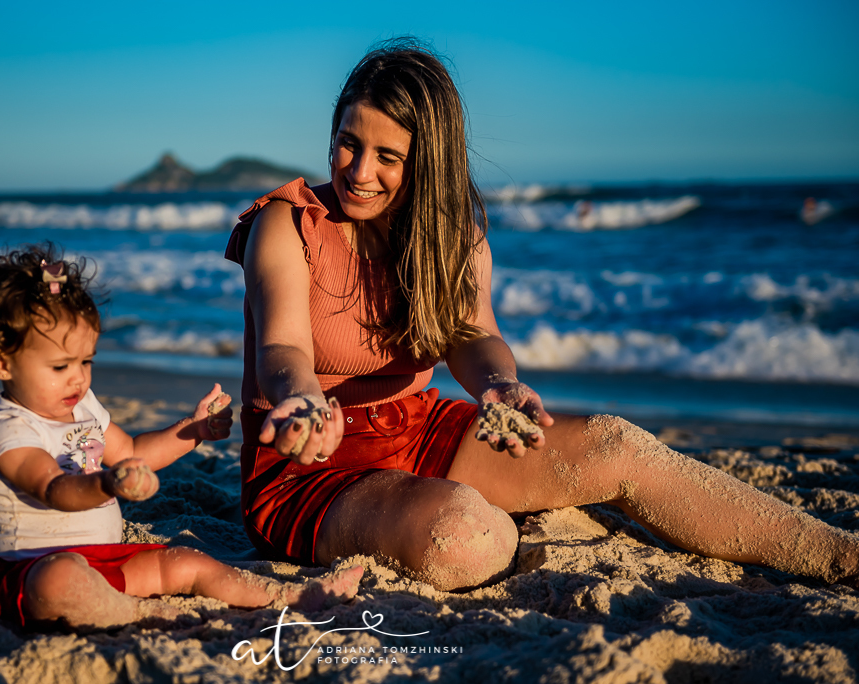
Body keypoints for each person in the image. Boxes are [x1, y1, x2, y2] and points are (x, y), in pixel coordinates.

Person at [224, 38, 859, 592]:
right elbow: (283, 351)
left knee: (617, 444)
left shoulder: (451, 234)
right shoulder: (286, 224)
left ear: (429, 159)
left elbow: (473, 335)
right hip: (305, 468)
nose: (359, 172)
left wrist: (499, 384)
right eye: (347, 145)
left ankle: (839, 556)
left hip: (417, 431)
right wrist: (303, 402)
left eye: (388, 156)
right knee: (467, 535)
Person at [0, 244, 362, 630]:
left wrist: (193, 429)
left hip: (106, 560)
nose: (78, 377)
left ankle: (288, 597)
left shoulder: (83, 407)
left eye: (86, 362)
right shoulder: (9, 430)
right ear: (1, 362)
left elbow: (133, 451)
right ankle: (130, 613)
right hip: (34, 570)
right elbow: (53, 487)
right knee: (58, 580)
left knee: (186, 562)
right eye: (60, 366)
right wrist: (106, 483)